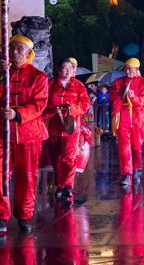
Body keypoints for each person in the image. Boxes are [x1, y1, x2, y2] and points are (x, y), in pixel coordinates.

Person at [0, 35, 49, 234]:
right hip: (1, 131)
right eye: (12, 49)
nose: (15, 53)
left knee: (27, 175)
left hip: (28, 132)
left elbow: (39, 105)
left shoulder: (39, 77)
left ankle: (25, 214)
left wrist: (18, 114)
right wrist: (0, 78)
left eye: (20, 49)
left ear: (29, 54)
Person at [43, 58, 90, 204]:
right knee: (56, 158)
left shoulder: (79, 86)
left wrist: (72, 108)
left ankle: (68, 186)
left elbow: (85, 104)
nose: (68, 70)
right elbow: (42, 103)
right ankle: (60, 184)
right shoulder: (49, 84)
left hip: (71, 128)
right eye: (64, 67)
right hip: (54, 127)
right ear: (58, 70)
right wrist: (52, 110)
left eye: (71, 67)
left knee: (69, 158)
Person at [110, 58, 144, 186]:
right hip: (123, 116)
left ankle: (136, 169)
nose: (128, 71)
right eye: (126, 68)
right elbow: (113, 96)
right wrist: (122, 97)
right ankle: (126, 173)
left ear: (137, 70)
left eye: (131, 69)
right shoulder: (118, 82)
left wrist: (134, 98)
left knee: (136, 146)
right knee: (124, 147)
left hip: (138, 118)